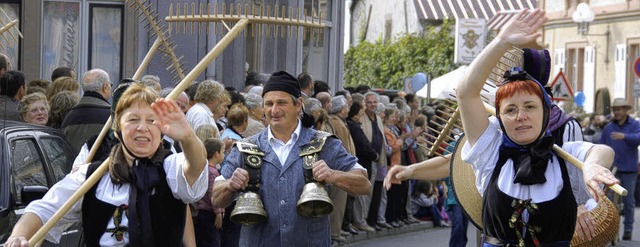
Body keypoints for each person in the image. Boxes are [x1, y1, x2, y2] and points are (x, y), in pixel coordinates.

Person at [455, 9, 617, 246]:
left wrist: (591, 166)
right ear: (499, 117)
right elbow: (466, 92)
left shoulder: (566, 158)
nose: (521, 116)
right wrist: (502, 42)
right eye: (510, 110)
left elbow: (604, 151)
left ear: (546, 113)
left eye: (530, 107)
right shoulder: (489, 154)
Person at [3, 83, 208, 247]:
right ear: (117, 130)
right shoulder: (90, 176)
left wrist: (188, 137)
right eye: (133, 120)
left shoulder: (170, 167)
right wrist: (18, 237)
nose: (142, 128)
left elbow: (195, 168)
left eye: (151, 121)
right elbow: (43, 209)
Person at [212, 71, 371, 246]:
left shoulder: (323, 143)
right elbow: (216, 197)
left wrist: (333, 175)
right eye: (269, 104)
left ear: (298, 105)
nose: (274, 110)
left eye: (281, 103)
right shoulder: (246, 147)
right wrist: (229, 185)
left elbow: (363, 184)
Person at [600, 97, 640, 241]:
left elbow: (638, 137)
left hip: (629, 169)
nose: (616, 112)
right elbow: (601, 146)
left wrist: (625, 136)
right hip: (612, 170)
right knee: (609, 202)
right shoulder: (609, 127)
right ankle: (611, 230)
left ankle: (628, 229)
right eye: (614, 110)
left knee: (629, 201)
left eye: (618, 109)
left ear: (625, 110)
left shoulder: (634, 124)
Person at [61, 69, 113, 155]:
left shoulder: (69, 116)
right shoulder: (111, 116)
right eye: (111, 85)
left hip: (73, 167)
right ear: (105, 87)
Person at [193, 138, 225, 247]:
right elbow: (213, 193)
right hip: (209, 213)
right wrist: (218, 213)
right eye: (223, 152)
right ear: (216, 154)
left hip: (202, 212)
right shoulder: (212, 172)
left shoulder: (203, 168)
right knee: (212, 241)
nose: (224, 155)